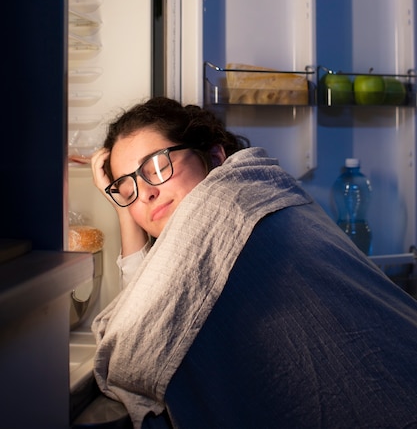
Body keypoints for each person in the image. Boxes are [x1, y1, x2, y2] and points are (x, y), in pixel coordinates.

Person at [91, 96, 417, 429]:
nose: (145, 193)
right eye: (127, 187)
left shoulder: (230, 205)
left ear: (215, 157)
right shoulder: (200, 246)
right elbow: (150, 308)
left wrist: (124, 206)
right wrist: (124, 209)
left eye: (157, 167)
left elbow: (135, 347)